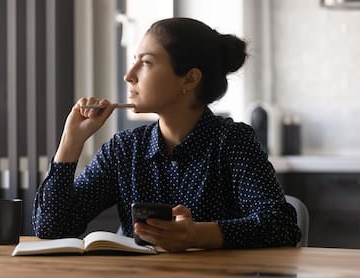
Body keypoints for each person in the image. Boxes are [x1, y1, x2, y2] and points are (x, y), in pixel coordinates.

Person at [32, 17, 301, 252]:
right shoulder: (125, 149)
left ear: (190, 79)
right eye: (134, 61)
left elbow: (281, 225)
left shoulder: (232, 142)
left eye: (146, 62)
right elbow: (52, 227)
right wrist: (71, 141)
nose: (129, 76)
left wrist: (197, 234)